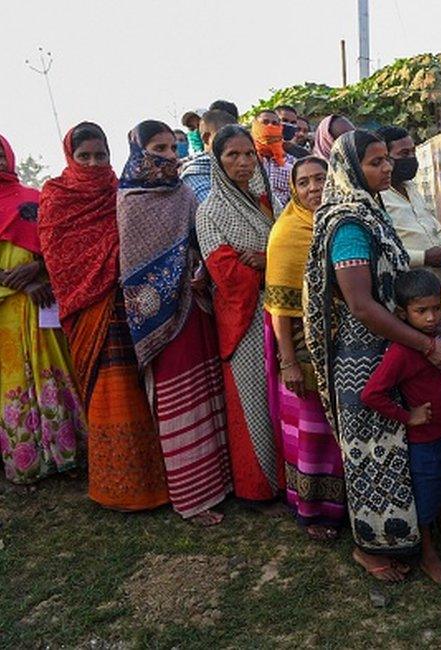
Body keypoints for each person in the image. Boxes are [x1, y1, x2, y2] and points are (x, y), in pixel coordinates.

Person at [304, 129, 441, 582]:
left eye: (385, 160)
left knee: (399, 452)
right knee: (371, 455)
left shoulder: (371, 211)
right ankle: (369, 549)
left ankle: (415, 535)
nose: (386, 168)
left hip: (388, 346)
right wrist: (426, 344)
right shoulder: (349, 223)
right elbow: (360, 304)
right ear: (350, 169)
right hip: (361, 356)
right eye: (374, 162)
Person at [39, 122, 169, 511]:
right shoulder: (56, 196)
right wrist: (103, 268)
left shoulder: (123, 190)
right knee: (109, 393)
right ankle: (117, 486)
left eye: (101, 156)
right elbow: (58, 256)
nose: (94, 164)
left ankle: (156, 481)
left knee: (141, 388)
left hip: (130, 304)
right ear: (70, 157)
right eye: (85, 157)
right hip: (90, 309)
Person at [116, 120, 233, 526]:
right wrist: (182, 272)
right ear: (137, 150)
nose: (169, 156)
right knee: (179, 403)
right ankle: (191, 497)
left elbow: (203, 238)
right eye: (159, 148)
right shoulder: (131, 200)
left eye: (172, 147)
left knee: (207, 391)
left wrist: (201, 266)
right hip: (163, 319)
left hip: (198, 308)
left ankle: (220, 482)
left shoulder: (184, 193)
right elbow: (134, 270)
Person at [361, 269, 441, 585]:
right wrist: (407, 416)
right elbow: (371, 394)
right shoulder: (402, 352)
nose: (431, 317)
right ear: (402, 314)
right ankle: (428, 555)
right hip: (422, 441)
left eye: (436, 308)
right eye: (421, 311)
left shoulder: (438, 339)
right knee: (425, 501)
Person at [195, 125, 283, 503]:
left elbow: (292, 250)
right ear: (217, 161)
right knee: (253, 401)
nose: (244, 162)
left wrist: (266, 261)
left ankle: (292, 477)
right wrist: (268, 267)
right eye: (232, 155)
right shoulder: (210, 211)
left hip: (280, 311)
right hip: (245, 322)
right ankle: (258, 486)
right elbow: (229, 276)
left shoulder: (267, 202)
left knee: (282, 398)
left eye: (249, 154)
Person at [265, 156, 346, 541]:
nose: (314, 188)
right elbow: (279, 307)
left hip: (340, 342)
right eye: (304, 182)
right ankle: (312, 512)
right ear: (293, 189)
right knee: (313, 432)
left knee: (337, 432)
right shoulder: (288, 232)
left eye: (321, 179)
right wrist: (289, 363)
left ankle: (341, 505)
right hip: (303, 349)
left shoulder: (339, 220)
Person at [0, 133, 85, 485]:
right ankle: (26, 461)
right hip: (5, 311)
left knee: (54, 371)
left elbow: (60, 246)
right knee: (12, 382)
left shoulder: (36, 200)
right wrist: (13, 280)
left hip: (43, 305)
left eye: (0, 155)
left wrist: (39, 271)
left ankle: (70, 453)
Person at [376, 125, 441, 280]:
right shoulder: (377, 198)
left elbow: (432, 224)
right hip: (404, 286)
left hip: (432, 282)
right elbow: (381, 250)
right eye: (404, 154)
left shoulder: (411, 188)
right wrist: (424, 257)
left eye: (413, 152)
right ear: (385, 158)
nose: (411, 158)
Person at [180, 109, 237, 203]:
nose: (197, 131)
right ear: (207, 137)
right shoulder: (196, 172)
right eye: (191, 128)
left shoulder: (246, 163)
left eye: (199, 125)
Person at [251, 110, 296, 208]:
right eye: (265, 122)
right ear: (255, 125)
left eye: (275, 123)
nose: (270, 126)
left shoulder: (291, 162)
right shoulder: (248, 158)